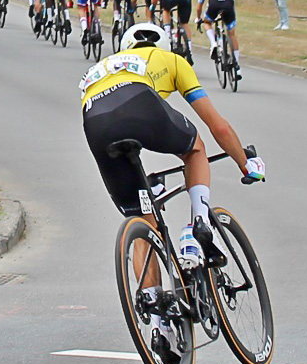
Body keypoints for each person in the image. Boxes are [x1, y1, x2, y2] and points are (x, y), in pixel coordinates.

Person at [81, 22, 265, 282]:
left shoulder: (104, 66)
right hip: (138, 99)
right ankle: (198, 225)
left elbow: (119, 119)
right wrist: (245, 163)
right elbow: (218, 126)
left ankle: (155, 314)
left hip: (94, 119)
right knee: (195, 150)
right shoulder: (172, 60)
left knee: (143, 222)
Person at [196, 0, 241, 78]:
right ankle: (237, 65)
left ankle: (214, 44)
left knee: (207, 23)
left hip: (214, 4)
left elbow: (200, 3)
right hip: (228, 6)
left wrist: (198, 18)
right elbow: (232, 0)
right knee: (232, 34)